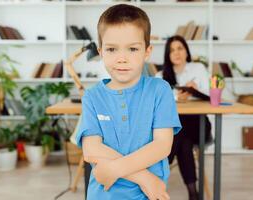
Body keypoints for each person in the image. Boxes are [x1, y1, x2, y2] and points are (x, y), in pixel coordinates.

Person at [75, 4, 182, 200]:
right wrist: (144, 178)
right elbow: (91, 150)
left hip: (148, 196)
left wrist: (113, 169)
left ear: (147, 51)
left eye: (132, 49)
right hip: (104, 194)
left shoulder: (160, 90)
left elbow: (162, 145)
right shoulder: (92, 97)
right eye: (112, 49)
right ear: (101, 52)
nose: (122, 58)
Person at [156, 35, 212, 200]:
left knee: (178, 135)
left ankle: (157, 184)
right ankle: (193, 194)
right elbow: (155, 100)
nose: (176, 53)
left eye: (180, 48)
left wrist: (196, 89)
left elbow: (210, 95)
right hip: (175, 128)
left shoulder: (198, 69)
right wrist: (176, 97)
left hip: (198, 125)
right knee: (183, 142)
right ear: (168, 54)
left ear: (186, 51)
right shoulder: (161, 75)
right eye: (172, 50)